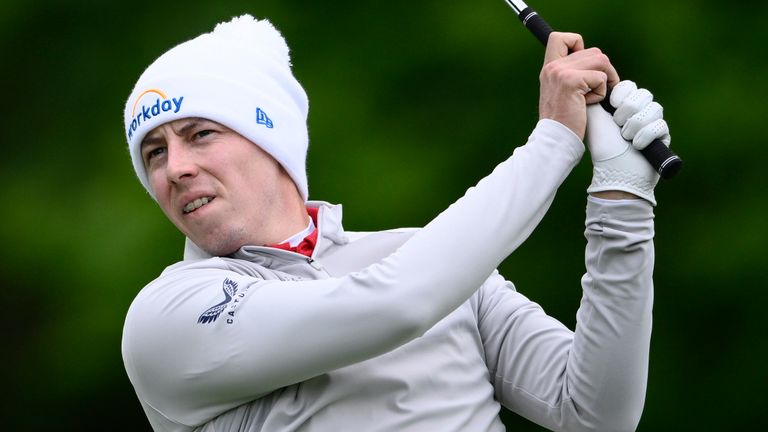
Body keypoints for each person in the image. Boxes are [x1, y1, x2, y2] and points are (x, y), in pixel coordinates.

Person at [121, 14, 671, 432]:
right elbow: (394, 305)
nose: (176, 168)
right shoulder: (167, 317)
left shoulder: (425, 260)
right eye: (153, 153)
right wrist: (553, 140)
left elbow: (598, 412)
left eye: (200, 134)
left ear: (271, 140)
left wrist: (622, 197)